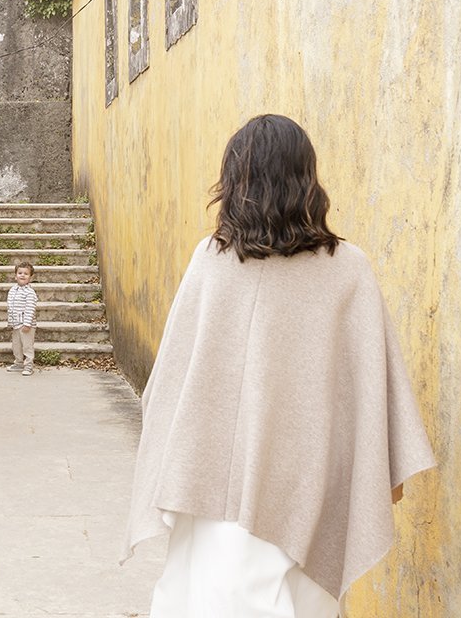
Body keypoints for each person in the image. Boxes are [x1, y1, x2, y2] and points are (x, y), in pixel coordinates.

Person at [124, 114, 435, 618]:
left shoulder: (213, 258)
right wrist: (377, 468)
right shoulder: (346, 267)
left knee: (206, 596)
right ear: (306, 179)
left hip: (212, 480)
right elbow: (370, 386)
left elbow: (173, 384)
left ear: (234, 182)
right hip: (308, 483)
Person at [5, 261, 39, 375]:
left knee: (27, 346)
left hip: (26, 325)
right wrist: (11, 321)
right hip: (15, 324)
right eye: (20, 273)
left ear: (30, 277)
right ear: (15, 276)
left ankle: (28, 365)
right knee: (16, 346)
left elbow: (30, 308)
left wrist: (27, 324)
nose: (22, 275)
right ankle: (18, 363)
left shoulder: (30, 292)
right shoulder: (12, 290)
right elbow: (10, 307)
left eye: (26, 273)